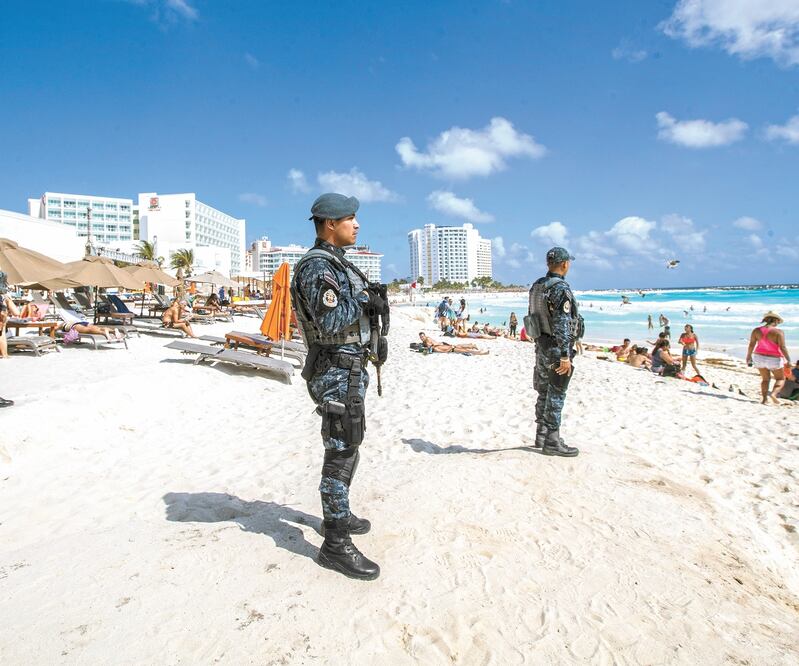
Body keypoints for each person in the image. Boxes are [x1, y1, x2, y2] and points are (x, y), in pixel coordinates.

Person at [290, 192, 384, 581]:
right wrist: (365, 300)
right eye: (351, 218)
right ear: (330, 224)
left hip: (348, 367)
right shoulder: (316, 268)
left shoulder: (337, 263)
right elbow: (330, 321)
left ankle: (339, 516)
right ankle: (335, 544)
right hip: (335, 370)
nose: (357, 225)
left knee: (350, 443)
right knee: (341, 450)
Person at [527, 246, 583, 456]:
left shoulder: (537, 286)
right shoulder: (560, 289)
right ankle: (552, 440)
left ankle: (541, 434)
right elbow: (561, 323)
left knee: (543, 391)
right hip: (555, 348)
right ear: (565, 264)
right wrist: (564, 355)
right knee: (556, 392)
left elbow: (532, 317)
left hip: (540, 344)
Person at [746, 311, 791, 405]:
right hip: (774, 359)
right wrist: (788, 360)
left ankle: (764, 400)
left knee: (765, 379)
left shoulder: (756, 330)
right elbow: (782, 347)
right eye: (778, 321)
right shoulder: (778, 332)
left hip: (759, 357)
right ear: (775, 320)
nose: (778, 323)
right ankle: (773, 394)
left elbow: (751, 345)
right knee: (780, 379)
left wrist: (748, 356)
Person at [418, 332, 489, 355]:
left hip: (443, 345)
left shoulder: (427, 340)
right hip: (445, 347)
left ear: (425, 336)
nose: (422, 338)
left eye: (422, 336)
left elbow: (432, 347)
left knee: (459, 347)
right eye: (421, 337)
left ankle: (474, 347)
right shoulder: (425, 341)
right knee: (459, 347)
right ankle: (472, 346)